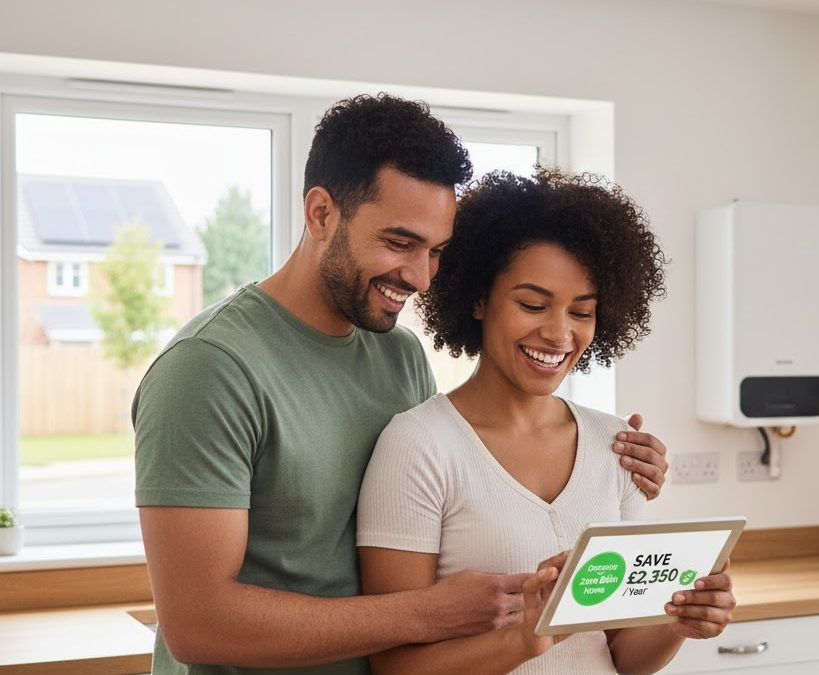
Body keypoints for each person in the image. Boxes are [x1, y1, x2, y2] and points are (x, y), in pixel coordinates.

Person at [133, 94, 670, 675]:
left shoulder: (396, 352)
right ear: (321, 214)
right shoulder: (208, 370)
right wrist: (429, 613)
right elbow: (197, 624)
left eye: (436, 251)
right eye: (399, 243)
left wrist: (614, 464)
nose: (420, 276)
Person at [357, 169, 736, 675]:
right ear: (478, 299)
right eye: (532, 304)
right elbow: (394, 667)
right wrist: (521, 641)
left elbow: (622, 655)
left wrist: (678, 620)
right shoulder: (418, 445)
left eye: (581, 312)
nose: (559, 334)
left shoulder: (616, 444)